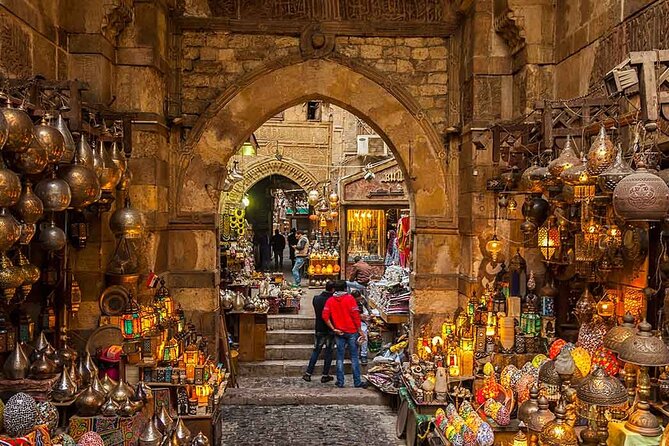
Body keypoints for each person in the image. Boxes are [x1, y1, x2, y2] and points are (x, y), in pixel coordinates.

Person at [322, 280, 368, 388]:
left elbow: (325, 316)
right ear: (344, 288)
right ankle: (357, 381)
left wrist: (333, 329)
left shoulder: (330, 301)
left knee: (339, 358)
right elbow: (356, 316)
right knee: (354, 357)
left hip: (339, 332)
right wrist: (360, 330)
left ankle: (340, 381)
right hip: (351, 331)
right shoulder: (350, 299)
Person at [302, 281, 335, 383]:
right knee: (328, 352)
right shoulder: (333, 300)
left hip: (319, 328)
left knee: (316, 351)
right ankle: (325, 375)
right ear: (333, 289)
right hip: (330, 329)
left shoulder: (316, 299)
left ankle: (308, 373)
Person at [351, 290, 370, 366]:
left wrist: (367, 315)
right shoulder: (349, 302)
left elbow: (367, 309)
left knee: (364, 331)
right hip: (351, 322)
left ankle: (363, 354)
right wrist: (359, 316)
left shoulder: (361, 301)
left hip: (360, 322)